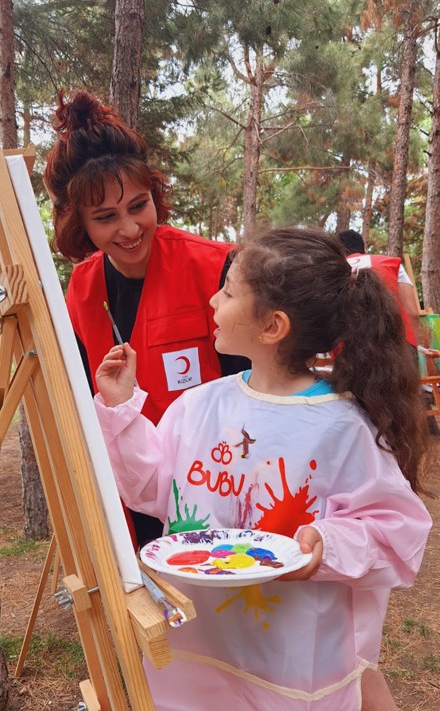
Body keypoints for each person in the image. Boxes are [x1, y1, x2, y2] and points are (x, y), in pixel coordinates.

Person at [94, 225, 432, 711]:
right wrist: (123, 408)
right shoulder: (199, 405)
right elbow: (151, 487)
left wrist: (328, 544)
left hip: (290, 662)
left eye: (228, 291)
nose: (212, 302)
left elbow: (398, 530)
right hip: (200, 648)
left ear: (272, 327)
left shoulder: (341, 426)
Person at [43, 88, 248, 548]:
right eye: (106, 217)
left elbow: (257, 389)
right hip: (128, 504)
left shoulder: (220, 269)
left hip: (215, 493)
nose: (130, 229)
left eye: (138, 206)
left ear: (154, 195)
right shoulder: (81, 287)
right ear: (81, 224)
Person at [338, 229, 420, 351]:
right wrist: (415, 348)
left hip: (351, 352)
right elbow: (412, 312)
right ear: (364, 250)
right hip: (397, 347)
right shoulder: (390, 263)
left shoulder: (333, 269)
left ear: (338, 251)